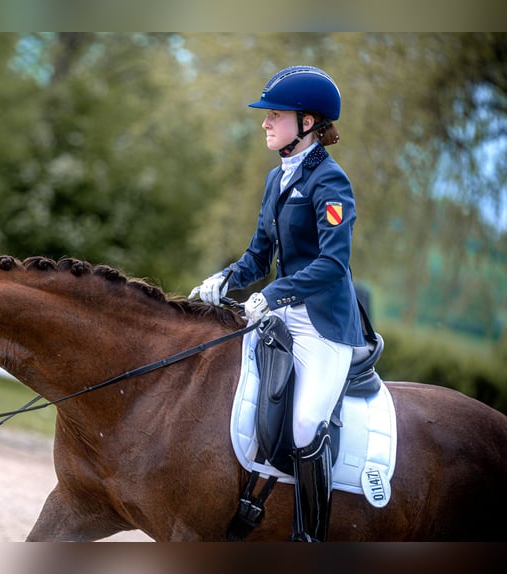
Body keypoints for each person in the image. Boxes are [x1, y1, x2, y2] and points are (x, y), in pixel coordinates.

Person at [190, 66, 364, 542]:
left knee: (307, 424)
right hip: (280, 312)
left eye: (275, 115)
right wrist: (226, 280)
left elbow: (333, 264)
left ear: (307, 122)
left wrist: (270, 294)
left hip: (324, 324)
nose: (265, 122)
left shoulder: (331, 183)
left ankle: (310, 536)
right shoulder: (277, 179)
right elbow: (259, 255)